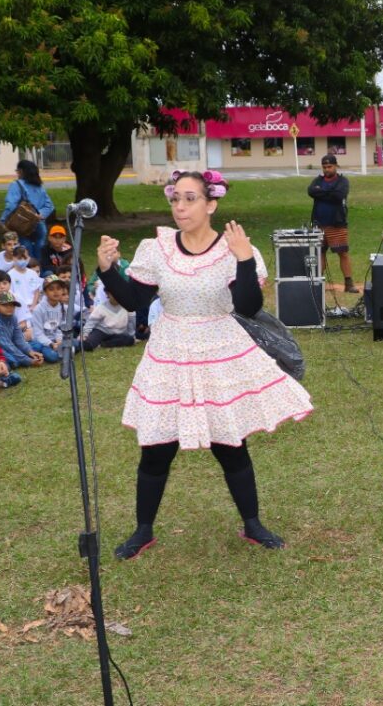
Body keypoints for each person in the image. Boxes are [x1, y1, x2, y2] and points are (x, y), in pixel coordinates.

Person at [95, 169, 314, 559]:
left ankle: (253, 525)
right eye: (175, 198)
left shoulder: (234, 248)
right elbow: (134, 301)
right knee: (156, 447)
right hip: (170, 351)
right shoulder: (157, 248)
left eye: (190, 198)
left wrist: (243, 259)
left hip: (219, 349)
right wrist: (107, 269)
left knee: (230, 444)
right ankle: (142, 531)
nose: (180, 206)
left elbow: (248, 306)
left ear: (211, 204)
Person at [307, 154, 357, 293]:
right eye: (324, 167)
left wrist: (321, 192)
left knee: (343, 253)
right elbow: (311, 191)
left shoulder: (342, 181)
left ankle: (349, 283)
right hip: (319, 224)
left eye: (329, 166)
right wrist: (329, 193)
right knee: (320, 253)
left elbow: (339, 195)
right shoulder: (318, 180)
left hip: (337, 224)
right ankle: (318, 282)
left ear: (336, 166)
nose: (327, 169)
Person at [0, 159, 54, 261]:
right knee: (40, 248)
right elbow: (49, 206)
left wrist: (3, 220)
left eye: (17, 171)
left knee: (25, 249)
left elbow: (11, 205)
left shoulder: (16, 185)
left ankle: (29, 268)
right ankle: (39, 268)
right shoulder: (39, 187)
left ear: (21, 171)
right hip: (39, 224)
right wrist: (39, 215)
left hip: (22, 223)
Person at [0, 292, 44, 368]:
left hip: (9, 346)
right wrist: (29, 361)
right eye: (5, 305)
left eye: (12, 305)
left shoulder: (13, 318)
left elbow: (19, 340)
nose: (9, 307)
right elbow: (8, 346)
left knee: (36, 347)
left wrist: (30, 352)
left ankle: (21, 358)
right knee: (14, 362)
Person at [30, 274, 67, 362]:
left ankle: (61, 351)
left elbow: (61, 328)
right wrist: (51, 344)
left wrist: (59, 340)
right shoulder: (38, 309)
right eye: (51, 289)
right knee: (52, 356)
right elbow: (38, 333)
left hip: (55, 340)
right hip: (42, 341)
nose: (56, 292)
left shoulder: (63, 307)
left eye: (58, 288)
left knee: (75, 344)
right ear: (45, 292)